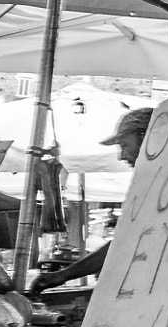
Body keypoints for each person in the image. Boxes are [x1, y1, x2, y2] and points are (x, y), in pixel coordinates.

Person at [28, 107, 148, 299]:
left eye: (124, 145)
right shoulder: (147, 187)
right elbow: (123, 242)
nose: (121, 156)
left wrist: (64, 274)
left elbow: (125, 244)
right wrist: (63, 275)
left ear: (146, 138)